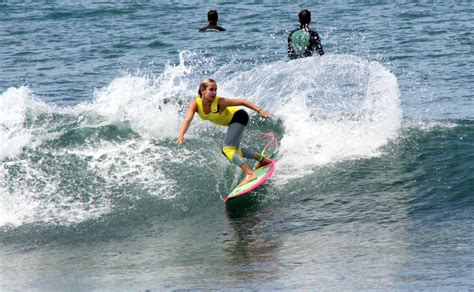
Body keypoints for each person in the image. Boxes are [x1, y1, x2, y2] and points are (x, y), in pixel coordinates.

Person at [177, 78, 273, 186]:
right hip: (233, 121)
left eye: (215, 90)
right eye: (211, 89)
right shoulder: (195, 104)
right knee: (234, 150)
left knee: (227, 148)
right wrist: (181, 134)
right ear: (202, 90)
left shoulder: (220, 102)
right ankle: (263, 160)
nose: (214, 92)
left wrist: (260, 111)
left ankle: (249, 173)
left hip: (239, 116)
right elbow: (188, 119)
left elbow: (242, 101)